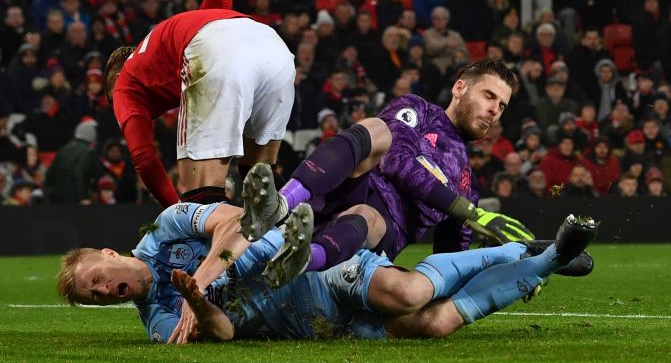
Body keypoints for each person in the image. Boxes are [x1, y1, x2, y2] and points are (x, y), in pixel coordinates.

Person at [57, 200, 597, 343]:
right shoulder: (157, 321)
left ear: (106, 252)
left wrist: (201, 281)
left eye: (96, 280)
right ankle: (538, 257)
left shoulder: (167, 226)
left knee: (405, 291)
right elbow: (219, 334)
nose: (106, 291)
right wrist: (198, 306)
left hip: (313, 272)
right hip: (311, 321)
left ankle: (528, 254)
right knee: (431, 325)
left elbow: (233, 220)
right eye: (97, 297)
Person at [240, 59, 534, 287]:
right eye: (489, 96)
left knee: (367, 216)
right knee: (377, 130)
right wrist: (461, 208)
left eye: (502, 105)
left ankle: (302, 259)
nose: (495, 110)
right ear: (460, 88)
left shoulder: (467, 182)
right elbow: (394, 160)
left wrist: (498, 266)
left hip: (380, 232)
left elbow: (451, 257)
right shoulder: (418, 110)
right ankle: (280, 203)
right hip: (345, 187)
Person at [103, 0, 295, 207]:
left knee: (201, 188)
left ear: (114, 79)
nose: (117, 111)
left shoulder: (125, 83)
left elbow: (144, 159)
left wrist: (178, 212)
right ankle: (289, 225)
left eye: (111, 100)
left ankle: (208, 240)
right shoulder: (181, 33)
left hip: (214, 53)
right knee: (259, 172)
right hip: (274, 47)